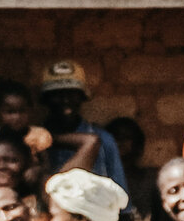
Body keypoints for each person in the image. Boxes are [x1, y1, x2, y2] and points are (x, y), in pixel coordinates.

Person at [35, 61, 133, 193]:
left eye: (72, 93)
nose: (65, 100)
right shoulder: (31, 142)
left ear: (82, 97)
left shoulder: (104, 140)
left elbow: (121, 196)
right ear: (46, 99)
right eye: (57, 94)